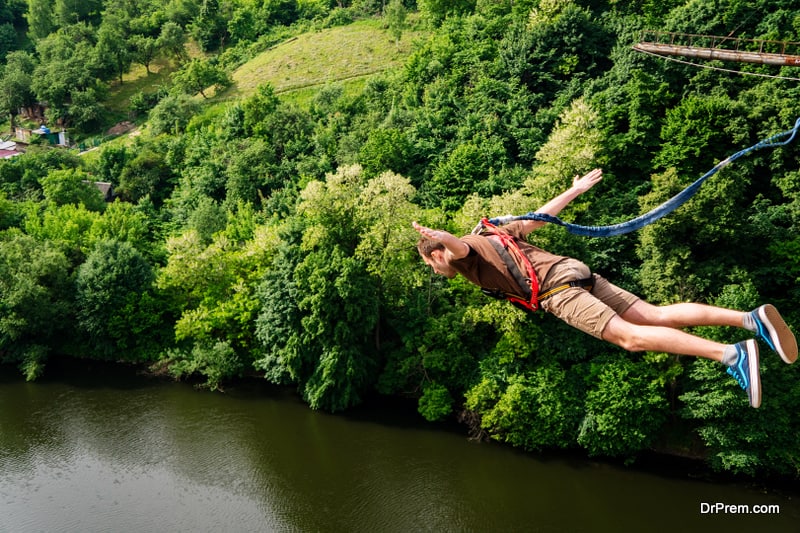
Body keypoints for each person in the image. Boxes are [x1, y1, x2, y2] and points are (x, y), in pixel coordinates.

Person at [413, 168, 797, 408]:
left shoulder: (464, 253)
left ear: (436, 256)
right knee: (655, 315)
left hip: (556, 291)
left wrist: (443, 237)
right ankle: (751, 320)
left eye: (431, 264)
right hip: (576, 271)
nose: (435, 271)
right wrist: (576, 190)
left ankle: (732, 356)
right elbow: (540, 218)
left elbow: (458, 247)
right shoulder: (492, 233)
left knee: (631, 338)